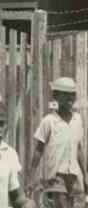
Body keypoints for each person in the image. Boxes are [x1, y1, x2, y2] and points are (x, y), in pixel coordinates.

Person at [28, 77, 87, 208]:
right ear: (56, 96)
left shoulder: (77, 120)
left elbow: (79, 149)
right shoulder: (49, 121)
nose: (70, 98)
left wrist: (85, 174)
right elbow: (39, 150)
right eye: (65, 94)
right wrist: (31, 176)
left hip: (74, 175)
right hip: (56, 176)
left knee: (78, 204)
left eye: (72, 94)